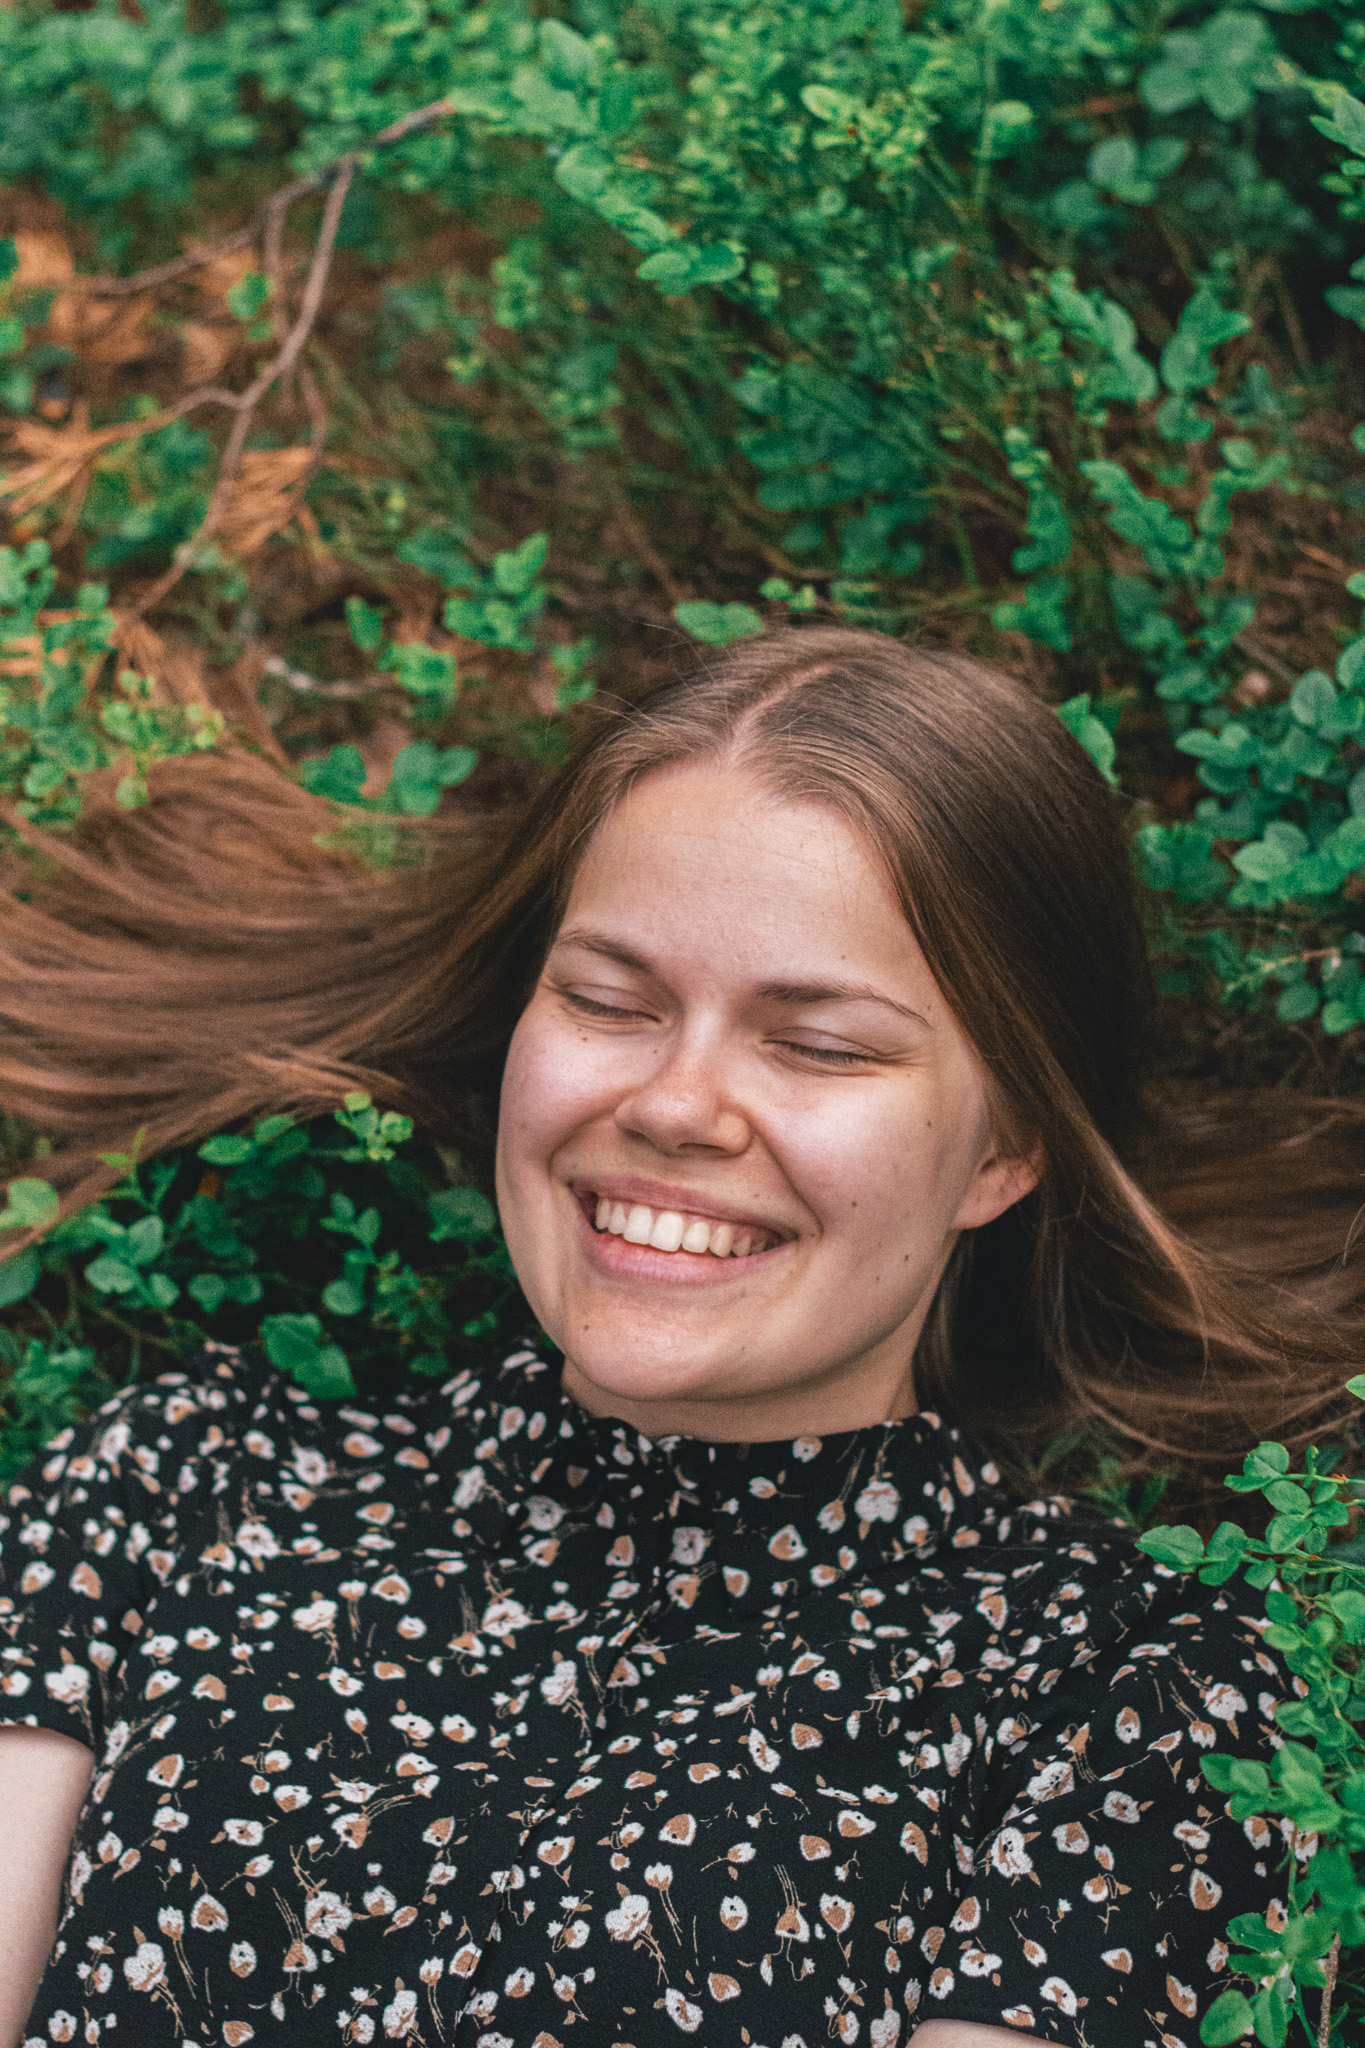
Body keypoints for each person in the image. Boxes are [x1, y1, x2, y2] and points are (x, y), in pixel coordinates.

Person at [0, 626, 1359, 2048]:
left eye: (818, 1044)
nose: (672, 1105)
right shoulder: (186, 1481)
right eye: (607, 1001)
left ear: (1004, 1146)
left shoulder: (1123, 1697)